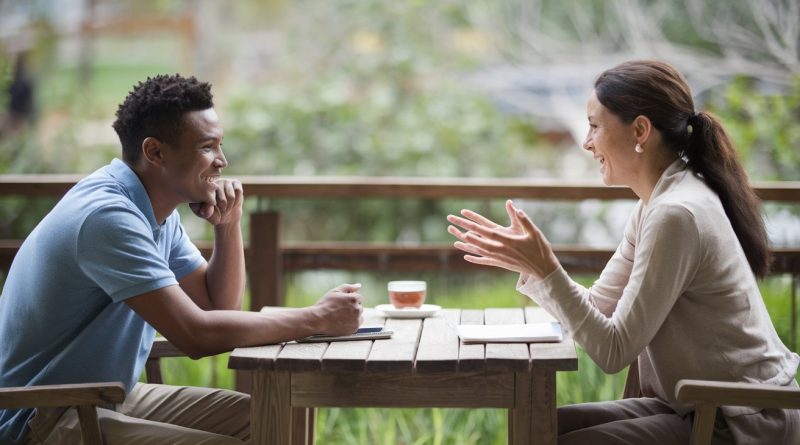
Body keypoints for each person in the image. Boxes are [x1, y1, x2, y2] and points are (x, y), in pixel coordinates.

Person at [447, 60, 799, 444]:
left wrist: (548, 269)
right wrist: (533, 268)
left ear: (641, 130)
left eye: (595, 125)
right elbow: (599, 306)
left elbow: (613, 350)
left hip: (739, 417)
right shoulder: (656, 203)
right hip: (694, 404)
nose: (586, 142)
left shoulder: (676, 213)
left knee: (551, 438)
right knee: (535, 427)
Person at [0, 74, 364, 445]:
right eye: (208, 147)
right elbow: (196, 335)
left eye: (220, 145)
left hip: (105, 398)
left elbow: (220, 305)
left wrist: (228, 225)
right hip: (40, 416)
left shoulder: (155, 211)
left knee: (272, 420)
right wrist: (317, 318)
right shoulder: (107, 217)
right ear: (155, 152)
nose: (222, 161)